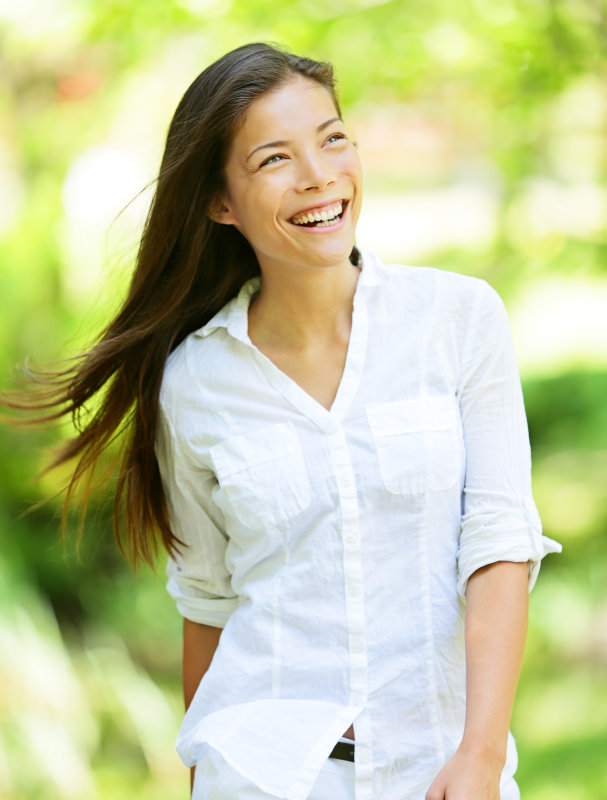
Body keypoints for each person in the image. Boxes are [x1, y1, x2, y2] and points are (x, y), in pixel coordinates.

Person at [5, 42, 561, 799]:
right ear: (218, 202)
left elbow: (498, 544)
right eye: (273, 159)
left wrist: (480, 756)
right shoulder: (194, 381)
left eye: (332, 138)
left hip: (439, 767)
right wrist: (202, 776)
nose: (317, 176)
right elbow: (208, 599)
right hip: (262, 773)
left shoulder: (457, 320)